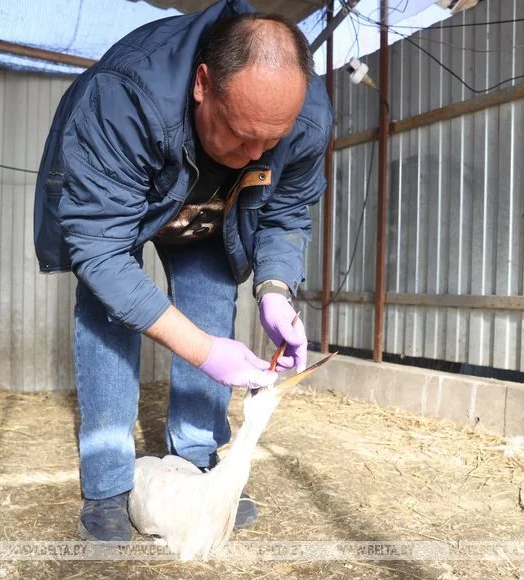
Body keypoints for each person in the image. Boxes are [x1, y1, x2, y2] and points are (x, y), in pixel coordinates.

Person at [34, 0, 332, 541]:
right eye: (241, 133)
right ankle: (107, 482)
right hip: (132, 199)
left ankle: (196, 459)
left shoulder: (306, 118)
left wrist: (275, 290)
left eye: (273, 139)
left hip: (209, 214)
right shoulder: (125, 96)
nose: (255, 154)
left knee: (213, 290)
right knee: (109, 307)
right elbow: (100, 251)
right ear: (202, 84)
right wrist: (204, 350)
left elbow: (288, 213)